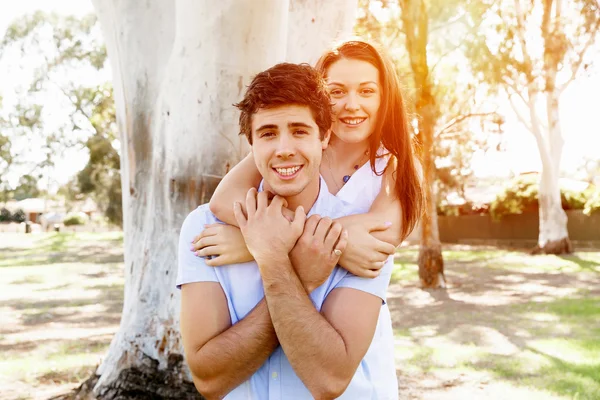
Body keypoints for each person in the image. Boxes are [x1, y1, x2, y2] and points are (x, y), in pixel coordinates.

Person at [178, 62, 397, 399]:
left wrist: (278, 259)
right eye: (268, 133)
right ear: (250, 141)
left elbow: (329, 379)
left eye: (299, 130)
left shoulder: (359, 239)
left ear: (324, 137)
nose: (284, 148)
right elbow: (209, 379)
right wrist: (296, 274)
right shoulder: (205, 227)